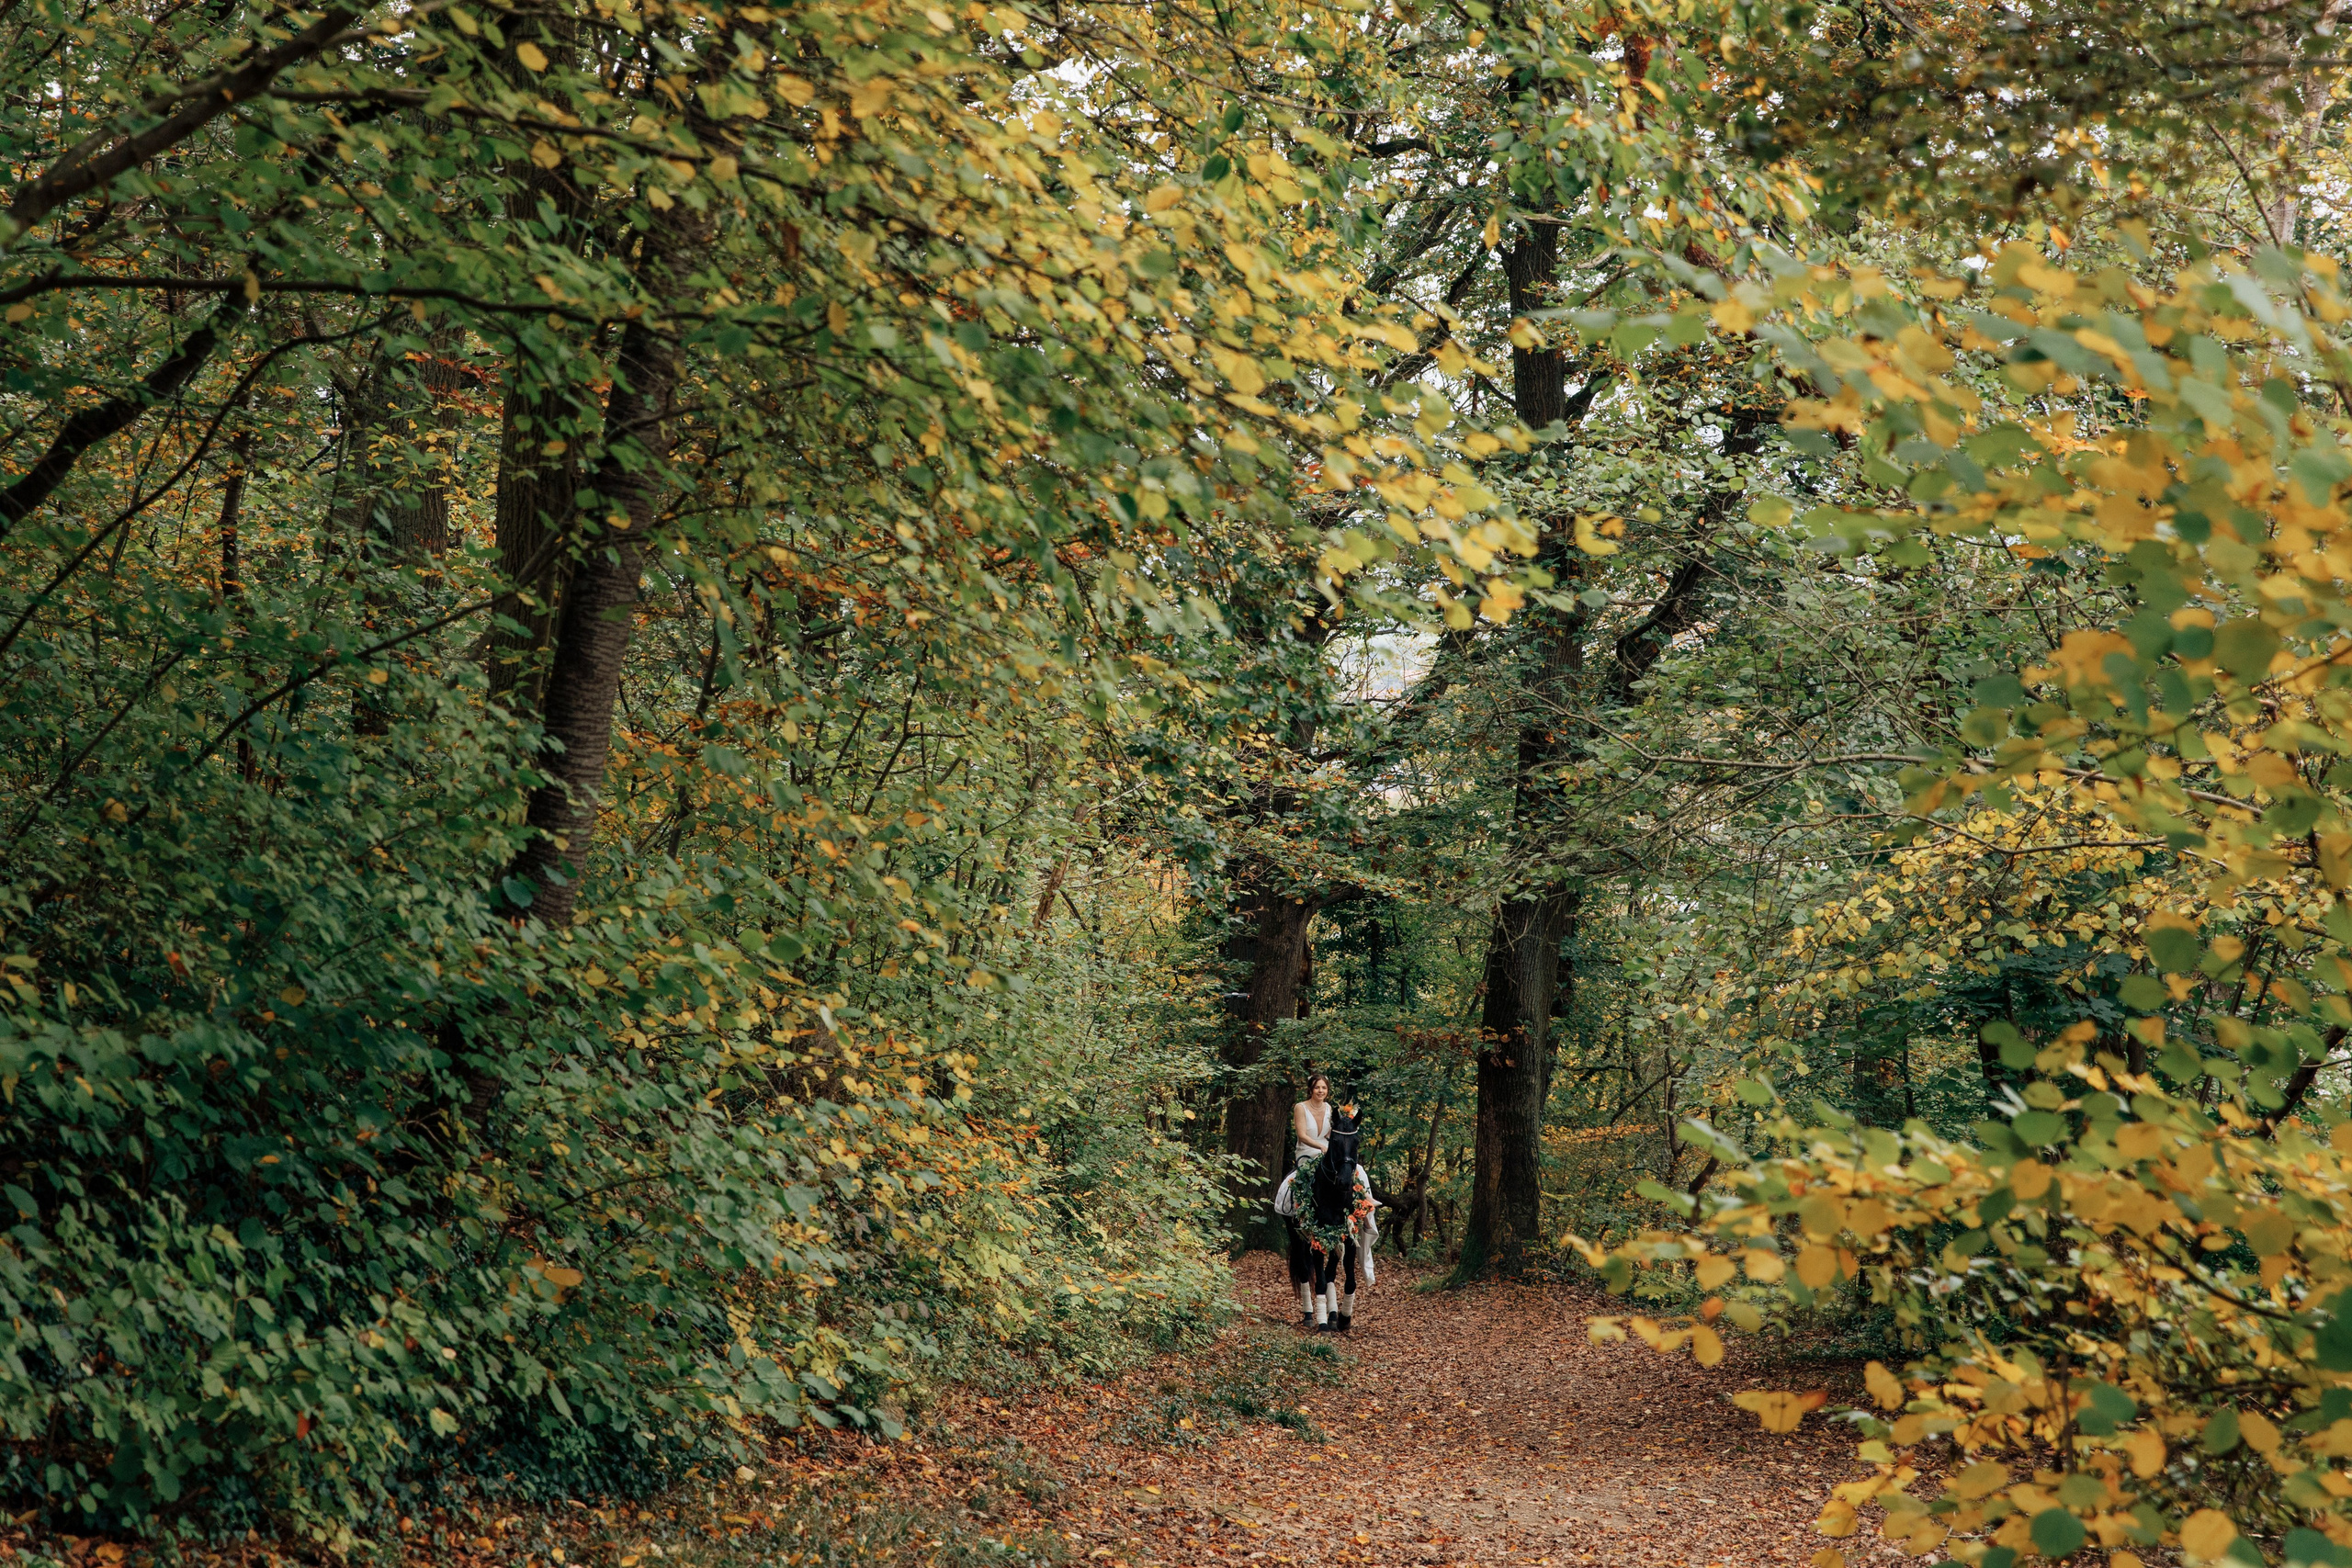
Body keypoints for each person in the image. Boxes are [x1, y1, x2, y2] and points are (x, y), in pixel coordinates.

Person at [1294, 1073, 1333, 1168]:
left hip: (1327, 1148)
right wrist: (1321, 1147)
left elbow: (1328, 1134)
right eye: (1316, 1087)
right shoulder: (1300, 1108)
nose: (1321, 1091)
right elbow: (1302, 1136)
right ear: (1310, 1090)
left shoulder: (1328, 1107)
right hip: (1307, 1150)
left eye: (1324, 1088)